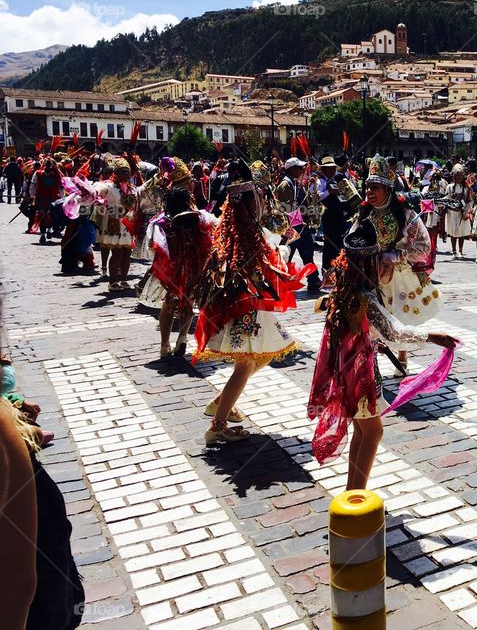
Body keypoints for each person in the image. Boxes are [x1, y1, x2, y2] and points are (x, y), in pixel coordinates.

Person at [308, 219, 457, 489]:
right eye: (381, 262)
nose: (386, 267)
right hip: (360, 375)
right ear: (369, 265)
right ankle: (357, 494)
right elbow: (396, 334)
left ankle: (352, 489)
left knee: (362, 431)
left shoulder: (343, 291)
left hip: (346, 372)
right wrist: (435, 337)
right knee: (374, 432)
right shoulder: (366, 297)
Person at [194, 162, 314, 444]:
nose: (261, 203)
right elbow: (272, 265)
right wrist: (284, 246)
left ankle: (220, 403)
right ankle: (218, 425)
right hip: (248, 308)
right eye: (257, 199)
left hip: (241, 305)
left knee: (261, 356)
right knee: (247, 364)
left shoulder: (228, 232)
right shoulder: (251, 236)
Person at [361, 155, 441, 373]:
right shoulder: (363, 215)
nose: (369, 192)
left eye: (374, 188)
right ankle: (372, 361)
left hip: (399, 276)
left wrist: (396, 255)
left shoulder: (406, 214)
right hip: (371, 276)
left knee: (398, 317)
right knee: (373, 320)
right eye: (367, 187)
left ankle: (402, 355)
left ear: (387, 189)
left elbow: (424, 246)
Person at [150, 187, 216, 359]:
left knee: (169, 304)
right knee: (188, 301)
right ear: (187, 201)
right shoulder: (199, 218)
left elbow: (153, 244)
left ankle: (164, 344)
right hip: (194, 266)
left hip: (173, 268)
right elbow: (211, 236)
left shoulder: (162, 221)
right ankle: (182, 337)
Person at [276, 157, 321, 292]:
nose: (302, 169)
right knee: (286, 255)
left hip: (302, 225)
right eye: (300, 167)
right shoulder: (286, 185)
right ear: (292, 169)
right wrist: (307, 212)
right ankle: (279, 282)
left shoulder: (295, 183)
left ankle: (313, 279)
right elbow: (289, 208)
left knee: (308, 254)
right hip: (292, 226)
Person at [94, 158, 139, 291]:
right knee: (117, 253)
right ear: (116, 173)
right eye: (122, 172)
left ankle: (124, 280)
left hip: (128, 224)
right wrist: (94, 192)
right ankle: (113, 281)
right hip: (114, 222)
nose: (125, 175)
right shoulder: (109, 187)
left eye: (127, 172)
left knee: (127, 252)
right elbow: (98, 189)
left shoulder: (133, 189)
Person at [318, 156, 353, 273]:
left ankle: (337, 270)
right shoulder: (320, 181)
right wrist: (329, 191)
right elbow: (316, 196)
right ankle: (326, 271)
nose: (332, 170)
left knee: (339, 244)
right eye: (329, 168)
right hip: (328, 218)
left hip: (339, 217)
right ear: (324, 170)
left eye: (333, 168)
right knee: (329, 245)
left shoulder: (337, 180)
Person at [442, 165, 473, 259]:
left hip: (462, 212)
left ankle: (460, 250)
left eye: (460, 175)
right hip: (452, 212)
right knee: (453, 232)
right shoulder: (450, 187)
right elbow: (446, 198)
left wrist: (466, 210)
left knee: (461, 232)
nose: (459, 177)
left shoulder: (466, 188)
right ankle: (454, 251)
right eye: (457, 175)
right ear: (454, 176)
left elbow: (470, 200)